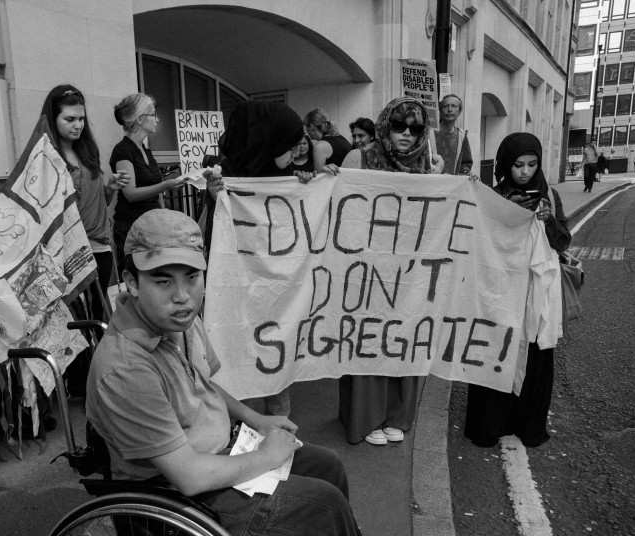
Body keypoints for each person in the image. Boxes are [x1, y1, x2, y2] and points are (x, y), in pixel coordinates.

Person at [85, 208, 383, 536]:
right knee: (324, 508)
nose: (182, 295)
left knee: (326, 465)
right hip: (181, 495)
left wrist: (257, 419)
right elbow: (190, 477)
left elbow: (204, 385)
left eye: (192, 277)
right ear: (131, 282)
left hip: (220, 453)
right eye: (162, 280)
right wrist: (267, 455)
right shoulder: (126, 370)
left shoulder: (181, 322)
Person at [216, 100, 339, 417]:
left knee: (277, 382)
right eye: (289, 143)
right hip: (239, 300)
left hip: (274, 308)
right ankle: (234, 450)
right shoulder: (222, 178)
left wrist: (318, 183)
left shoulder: (288, 176)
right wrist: (213, 194)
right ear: (268, 141)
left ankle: (278, 448)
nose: (298, 149)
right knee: (232, 383)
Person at [338, 97, 444, 446]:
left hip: (409, 270)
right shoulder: (361, 157)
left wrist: (445, 182)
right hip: (368, 267)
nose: (406, 134)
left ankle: (397, 414)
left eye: (415, 129)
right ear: (385, 125)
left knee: (403, 337)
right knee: (369, 335)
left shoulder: (428, 164)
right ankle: (366, 416)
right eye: (399, 125)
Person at [464, 132, 571, 448]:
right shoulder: (492, 194)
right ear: (505, 165)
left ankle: (528, 426)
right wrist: (504, 212)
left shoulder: (548, 195)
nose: (524, 172)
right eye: (517, 165)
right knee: (496, 353)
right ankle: (489, 426)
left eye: (531, 164)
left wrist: (549, 221)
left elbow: (563, 241)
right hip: (501, 293)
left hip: (536, 295)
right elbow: (476, 242)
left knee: (535, 357)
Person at [39, 84, 129, 319]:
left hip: (102, 245)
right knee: (80, 315)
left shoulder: (88, 152)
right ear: (52, 119)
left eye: (81, 118)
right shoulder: (46, 158)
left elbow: (98, 203)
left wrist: (109, 189)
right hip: (71, 250)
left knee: (104, 312)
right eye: (69, 119)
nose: (78, 125)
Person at [110, 93, 187, 272]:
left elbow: (156, 187)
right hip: (132, 228)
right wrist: (166, 185)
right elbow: (130, 194)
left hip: (153, 226)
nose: (157, 120)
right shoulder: (122, 151)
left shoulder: (146, 150)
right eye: (153, 114)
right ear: (139, 119)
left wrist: (165, 213)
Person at [434, 94, 473, 175]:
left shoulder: (462, 136)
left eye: (454, 106)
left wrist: (466, 171)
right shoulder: (429, 133)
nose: (450, 109)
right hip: (432, 182)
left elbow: (465, 163)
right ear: (440, 111)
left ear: (459, 112)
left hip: (452, 184)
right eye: (446, 106)